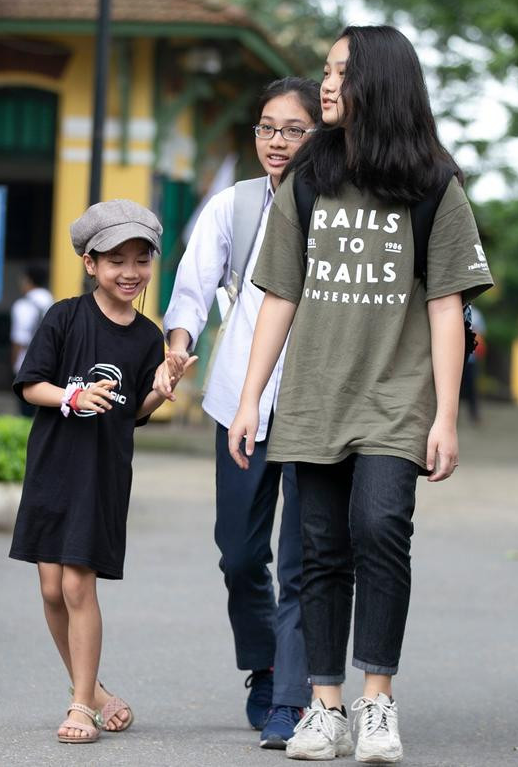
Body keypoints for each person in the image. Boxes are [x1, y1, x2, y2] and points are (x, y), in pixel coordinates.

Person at [226, 26, 493, 762]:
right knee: (320, 548)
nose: (329, 84)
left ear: (380, 79)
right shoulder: (312, 171)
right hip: (314, 392)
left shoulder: (433, 181)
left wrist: (446, 413)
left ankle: (377, 700)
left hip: (395, 396)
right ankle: (324, 703)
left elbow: (447, 304)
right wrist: (251, 397)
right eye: (327, 70)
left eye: (342, 70)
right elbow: (280, 292)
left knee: (380, 527)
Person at [156, 76, 320, 748]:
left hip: (314, 404)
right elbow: (193, 288)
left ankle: (290, 692)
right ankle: (264, 660)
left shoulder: (336, 207)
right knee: (239, 553)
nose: (275, 141)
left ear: (319, 135)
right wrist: (177, 346)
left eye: (292, 129)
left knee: (304, 555)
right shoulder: (235, 204)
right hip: (238, 401)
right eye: (265, 127)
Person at [9, 200, 196, 744]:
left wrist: (160, 392)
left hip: (103, 473)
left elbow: (134, 411)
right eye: (116, 260)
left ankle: (78, 706)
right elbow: (30, 385)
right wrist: (72, 395)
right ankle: (95, 691)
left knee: (76, 582)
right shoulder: (63, 317)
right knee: (49, 587)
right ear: (90, 263)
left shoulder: (146, 337)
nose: (130, 272)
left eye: (141, 260)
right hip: (52, 465)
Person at [11, 264, 55, 417]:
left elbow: (18, 340)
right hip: (50, 364)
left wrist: (14, 365)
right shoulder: (53, 302)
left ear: (28, 280)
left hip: (26, 363)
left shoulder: (22, 305)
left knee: (26, 413)